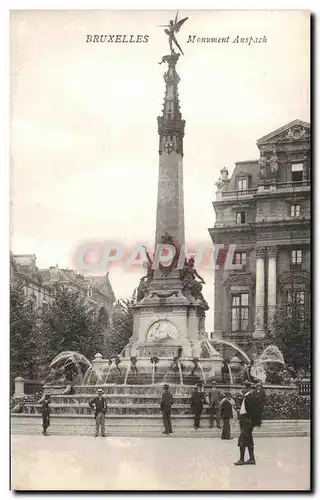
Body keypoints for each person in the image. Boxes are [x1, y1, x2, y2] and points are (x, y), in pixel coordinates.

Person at [234, 382, 261, 466]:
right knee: (249, 439)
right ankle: (252, 459)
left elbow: (255, 410)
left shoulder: (250, 397)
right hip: (244, 420)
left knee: (242, 439)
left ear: (248, 388)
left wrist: (253, 422)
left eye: (244, 388)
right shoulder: (245, 397)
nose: (242, 389)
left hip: (247, 421)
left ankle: (242, 459)